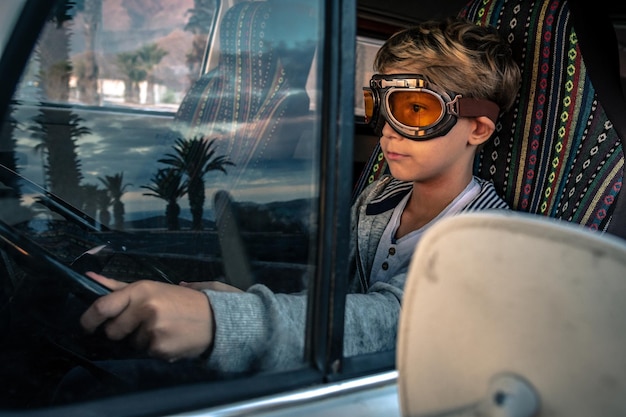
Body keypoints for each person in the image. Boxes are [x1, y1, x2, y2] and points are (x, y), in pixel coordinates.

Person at [76, 16, 520, 380]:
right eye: (379, 105)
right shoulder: (378, 200)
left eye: (414, 109)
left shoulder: (486, 239)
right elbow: (334, 291)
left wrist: (222, 321)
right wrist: (236, 297)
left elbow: (394, 322)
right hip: (331, 366)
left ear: (477, 128)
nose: (386, 129)